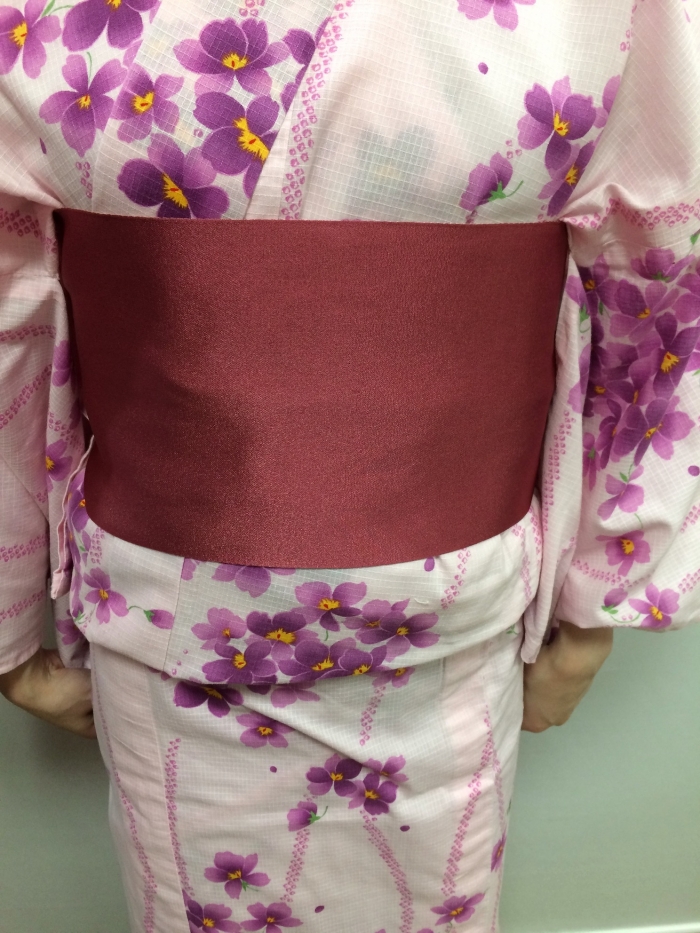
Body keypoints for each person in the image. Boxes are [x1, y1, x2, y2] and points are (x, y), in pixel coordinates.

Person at [0, 0, 697, 931]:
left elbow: (656, 261)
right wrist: (595, 602)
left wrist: (604, 585)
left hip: (435, 608)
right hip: (182, 617)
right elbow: (656, 268)